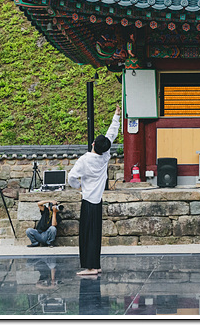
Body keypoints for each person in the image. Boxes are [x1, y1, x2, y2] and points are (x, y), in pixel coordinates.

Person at [68, 103, 121, 276]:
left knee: (87, 235)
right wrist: (116, 116)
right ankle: (95, 265)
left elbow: (71, 177)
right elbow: (111, 134)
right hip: (98, 201)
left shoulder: (84, 160)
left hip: (88, 200)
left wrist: (79, 186)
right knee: (95, 234)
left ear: (92, 144)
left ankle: (90, 268)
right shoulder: (105, 156)